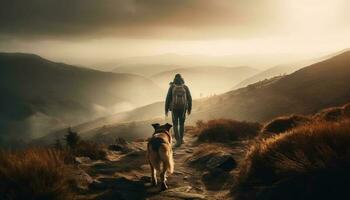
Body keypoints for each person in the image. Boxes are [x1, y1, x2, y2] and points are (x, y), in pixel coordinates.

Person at [165, 74, 192, 147]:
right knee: (182, 124)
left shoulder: (172, 87)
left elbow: (168, 98)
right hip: (183, 108)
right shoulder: (185, 87)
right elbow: (189, 98)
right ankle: (181, 139)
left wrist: (166, 110)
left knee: (175, 124)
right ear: (182, 79)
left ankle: (177, 141)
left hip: (174, 109)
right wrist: (189, 108)